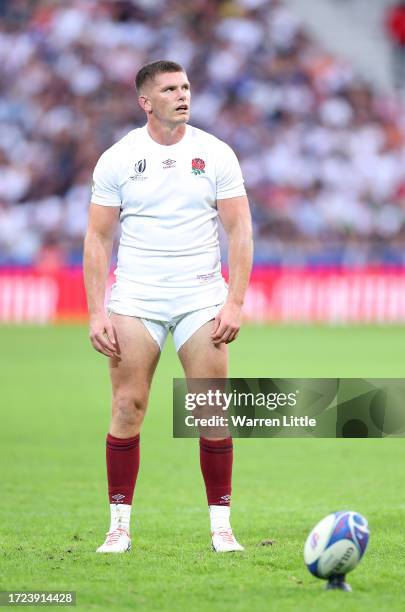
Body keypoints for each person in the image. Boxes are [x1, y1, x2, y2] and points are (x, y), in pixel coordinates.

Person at [83, 60, 253, 554]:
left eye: (185, 86)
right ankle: (118, 526)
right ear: (146, 102)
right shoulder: (118, 158)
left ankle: (222, 527)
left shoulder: (215, 153)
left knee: (210, 410)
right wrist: (97, 312)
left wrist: (234, 302)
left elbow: (239, 229)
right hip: (137, 297)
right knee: (127, 406)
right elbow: (97, 238)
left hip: (200, 296)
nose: (183, 95)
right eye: (170, 89)